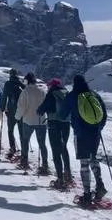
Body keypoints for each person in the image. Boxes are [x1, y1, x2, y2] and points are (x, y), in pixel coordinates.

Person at [59, 74, 107, 205]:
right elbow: (104, 113)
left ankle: (86, 195)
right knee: (93, 158)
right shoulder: (94, 95)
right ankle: (100, 185)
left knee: (84, 163)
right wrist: (98, 128)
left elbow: (62, 115)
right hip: (95, 133)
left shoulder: (72, 95)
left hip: (80, 134)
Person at [37, 78, 73, 188]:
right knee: (64, 148)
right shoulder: (67, 93)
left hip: (54, 125)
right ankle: (68, 174)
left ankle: (60, 179)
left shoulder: (51, 94)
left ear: (52, 86)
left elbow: (40, 110)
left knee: (56, 151)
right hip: (66, 125)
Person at [15, 72, 49, 174]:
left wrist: (17, 117)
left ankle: (24, 161)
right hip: (41, 121)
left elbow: (22, 107)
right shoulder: (42, 91)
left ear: (27, 81)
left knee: (25, 141)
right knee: (42, 144)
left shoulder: (25, 92)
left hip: (28, 121)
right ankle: (45, 165)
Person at [1, 69, 25, 158]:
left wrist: (2, 108)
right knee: (21, 132)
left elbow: (4, 96)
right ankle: (24, 150)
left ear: (10, 75)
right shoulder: (20, 84)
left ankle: (12, 148)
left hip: (11, 111)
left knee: (10, 130)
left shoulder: (7, 84)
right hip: (21, 111)